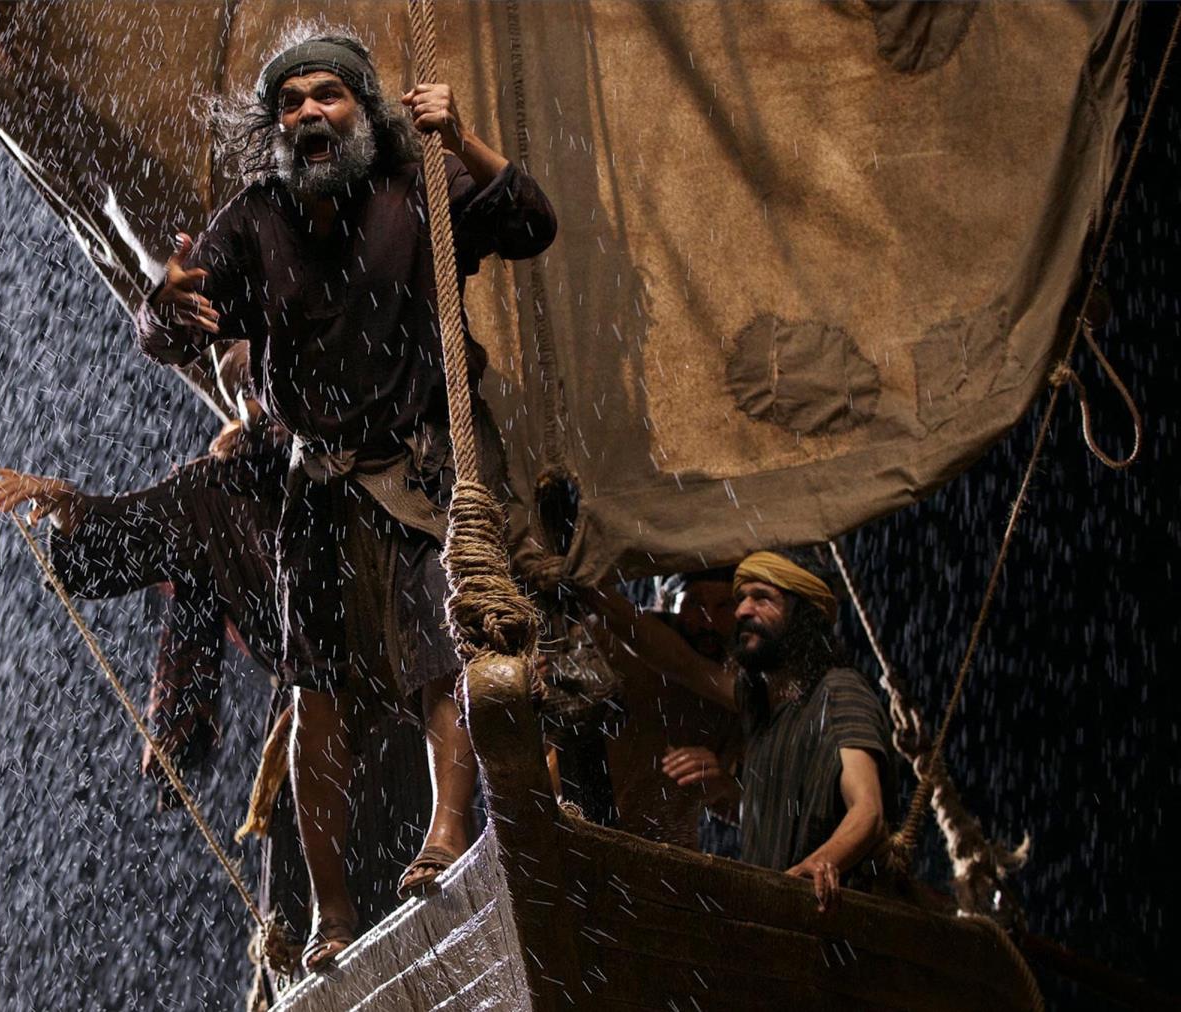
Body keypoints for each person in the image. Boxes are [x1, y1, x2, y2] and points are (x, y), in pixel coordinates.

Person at [137, 28, 557, 971]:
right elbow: (165, 328)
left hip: (418, 469)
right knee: (313, 691)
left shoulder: (419, 186)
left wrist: (464, 138)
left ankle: (448, 833)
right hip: (320, 490)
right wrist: (167, 306)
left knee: (443, 647)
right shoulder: (254, 217)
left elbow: (533, 223)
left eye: (326, 95)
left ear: (364, 112)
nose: (306, 114)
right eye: (289, 103)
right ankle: (331, 914)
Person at [0, 343, 289, 801]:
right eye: (250, 385)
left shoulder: (352, 418)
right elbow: (126, 535)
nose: (266, 392)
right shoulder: (211, 490)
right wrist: (66, 507)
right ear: (242, 407)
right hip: (323, 677)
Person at [634, 548, 896, 911]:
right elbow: (681, 663)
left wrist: (819, 864)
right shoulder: (760, 707)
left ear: (802, 614)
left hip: (827, 915)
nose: (742, 611)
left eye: (762, 598)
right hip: (777, 913)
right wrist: (593, 595)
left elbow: (868, 809)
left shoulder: (838, 693)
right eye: (741, 598)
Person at [543, 570, 743, 849]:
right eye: (695, 603)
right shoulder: (612, 641)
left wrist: (722, 783)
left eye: (723, 606)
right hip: (574, 830)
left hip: (669, 853)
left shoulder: (740, 689)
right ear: (671, 602)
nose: (708, 620)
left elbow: (745, 808)